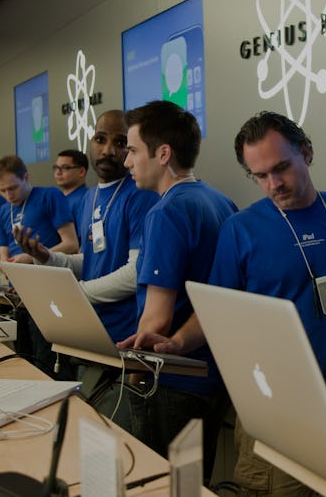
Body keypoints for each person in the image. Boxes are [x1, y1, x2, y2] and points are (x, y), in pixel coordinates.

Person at [205, 111, 326, 496]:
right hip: (277, 415)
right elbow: (223, 323)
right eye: (260, 175)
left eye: (281, 168)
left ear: (307, 153)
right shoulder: (240, 230)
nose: (273, 183)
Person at [115, 100, 237, 479]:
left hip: (170, 382)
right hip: (211, 377)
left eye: (133, 151)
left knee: (163, 486)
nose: (126, 162)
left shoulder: (166, 211)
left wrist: (132, 377)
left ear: (163, 153)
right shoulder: (221, 202)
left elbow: (157, 320)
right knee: (192, 485)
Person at [13, 110, 159, 395]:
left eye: (119, 143)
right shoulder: (89, 198)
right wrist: (47, 258)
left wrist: (73, 294)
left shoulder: (140, 194)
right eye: (100, 139)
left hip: (124, 338)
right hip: (90, 332)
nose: (107, 150)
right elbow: (91, 262)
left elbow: (135, 273)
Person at [0, 154, 79, 377]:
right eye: (2, 191)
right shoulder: (3, 211)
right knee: (24, 361)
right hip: (19, 296)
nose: (8, 195)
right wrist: (8, 266)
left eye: (13, 188)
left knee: (47, 364)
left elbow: (70, 244)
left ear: (27, 177)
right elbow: (2, 256)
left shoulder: (49, 196)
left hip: (49, 293)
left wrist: (30, 258)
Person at [53, 149, 89, 242]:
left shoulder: (86, 199)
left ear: (81, 171)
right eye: (56, 167)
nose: (58, 172)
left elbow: (83, 240)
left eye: (65, 168)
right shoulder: (58, 199)